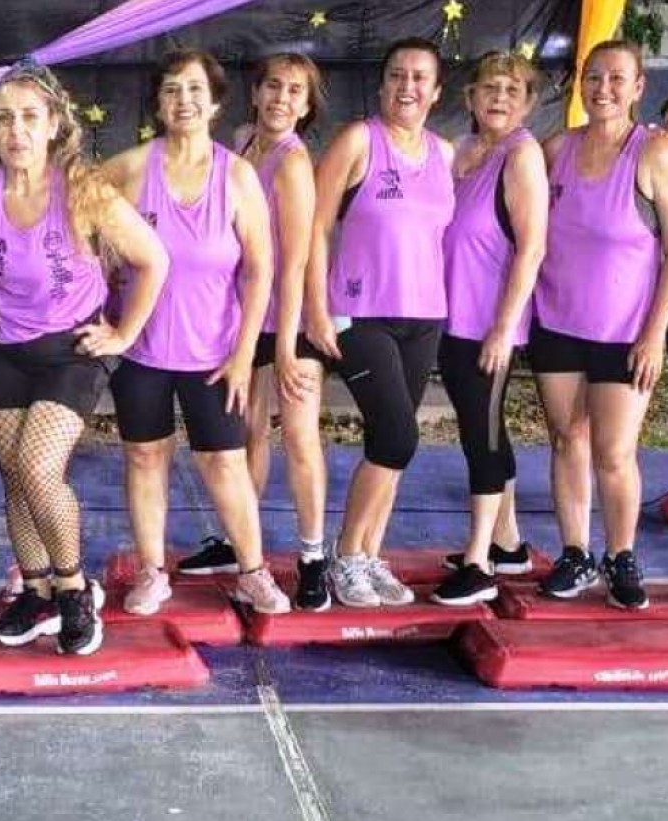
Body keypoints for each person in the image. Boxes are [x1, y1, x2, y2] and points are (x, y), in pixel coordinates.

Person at [0, 60, 168, 656]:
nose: (16, 130)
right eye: (4, 119)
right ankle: (37, 589)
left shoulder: (83, 189)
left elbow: (154, 259)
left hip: (70, 352)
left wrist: (124, 333)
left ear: (53, 125)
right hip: (3, 349)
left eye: (29, 117)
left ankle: (74, 590)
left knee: (39, 469)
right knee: (15, 478)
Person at [99, 49, 288, 617]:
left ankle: (252, 571)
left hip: (215, 353)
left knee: (225, 462)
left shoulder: (238, 176)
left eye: (195, 89)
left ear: (216, 102)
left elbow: (259, 269)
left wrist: (244, 352)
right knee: (144, 456)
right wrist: (98, 307)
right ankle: (152, 571)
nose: (184, 100)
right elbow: (74, 224)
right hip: (141, 352)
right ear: (158, 104)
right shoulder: (129, 168)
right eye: (172, 90)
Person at [531, 40, 668, 610]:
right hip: (556, 322)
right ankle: (575, 552)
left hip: (625, 333)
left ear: (638, 87)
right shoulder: (557, 150)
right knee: (566, 439)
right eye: (594, 77)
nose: (603, 89)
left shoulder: (656, 154)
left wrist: (655, 334)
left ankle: (621, 555)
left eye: (616, 78)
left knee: (614, 452)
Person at [305, 38, 456, 608]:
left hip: (425, 315)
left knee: (389, 441)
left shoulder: (445, 154)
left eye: (419, 77)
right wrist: (316, 308)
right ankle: (345, 555)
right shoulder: (358, 140)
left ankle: (370, 553)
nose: (407, 86)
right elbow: (315, 227)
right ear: (382, 84)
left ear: (436, 92)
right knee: (398, 436)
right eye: (397, 75)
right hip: (361, 312)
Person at [200, 52, 333, 610]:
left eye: (295, 91)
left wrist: (286, 344)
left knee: (298, 435)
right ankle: (242, 544)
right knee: (248, 433)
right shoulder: (241, 142)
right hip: (242, 313)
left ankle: (312, 557)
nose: (281, 98)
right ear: (254, 94)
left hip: (287, 317)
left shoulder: (294, 163)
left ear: (306, 106)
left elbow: (296, 260)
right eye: (273, 86)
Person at [431, 52, 549, 606]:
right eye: (489, 88)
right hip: (450, 316)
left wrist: (503, 328)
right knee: (484, 426)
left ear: (527, 102)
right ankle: (508, 543)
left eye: (512, 90)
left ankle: (479, 562)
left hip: (488, 323)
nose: (499, 98)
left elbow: (532, 248)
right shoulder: (460, 150)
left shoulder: (521, 155)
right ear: (470, 97)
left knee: (482, 436)